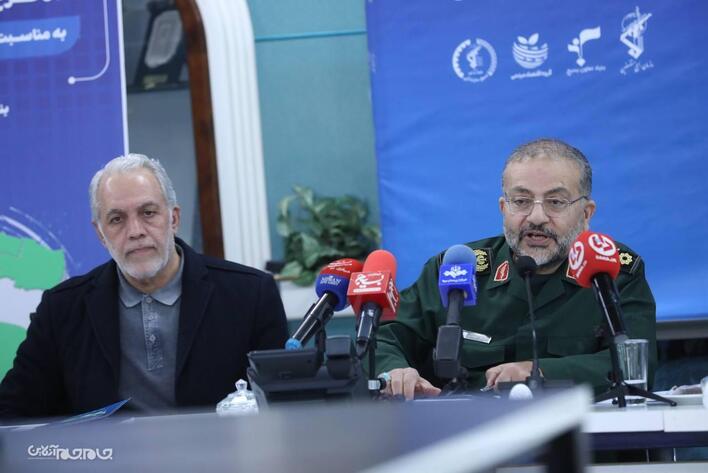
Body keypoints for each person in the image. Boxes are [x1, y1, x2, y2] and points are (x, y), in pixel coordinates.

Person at [0, 154, 288, 419]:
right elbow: (13, 411)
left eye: (148, 213)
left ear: (173, 218)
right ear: (100, 234)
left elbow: (284, 408)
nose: (135, 231)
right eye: (116, 219)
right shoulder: (61, 309)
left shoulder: (251, 295)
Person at [375, 138, 656, 399]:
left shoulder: (613, 273)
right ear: (503, 208)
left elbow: (635, 366)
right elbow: (385, 339)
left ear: (586, 214)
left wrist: (540, 373)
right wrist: (395, 371)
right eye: (521, 201)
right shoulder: (457, 269)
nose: (536, 217)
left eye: (555, 202)